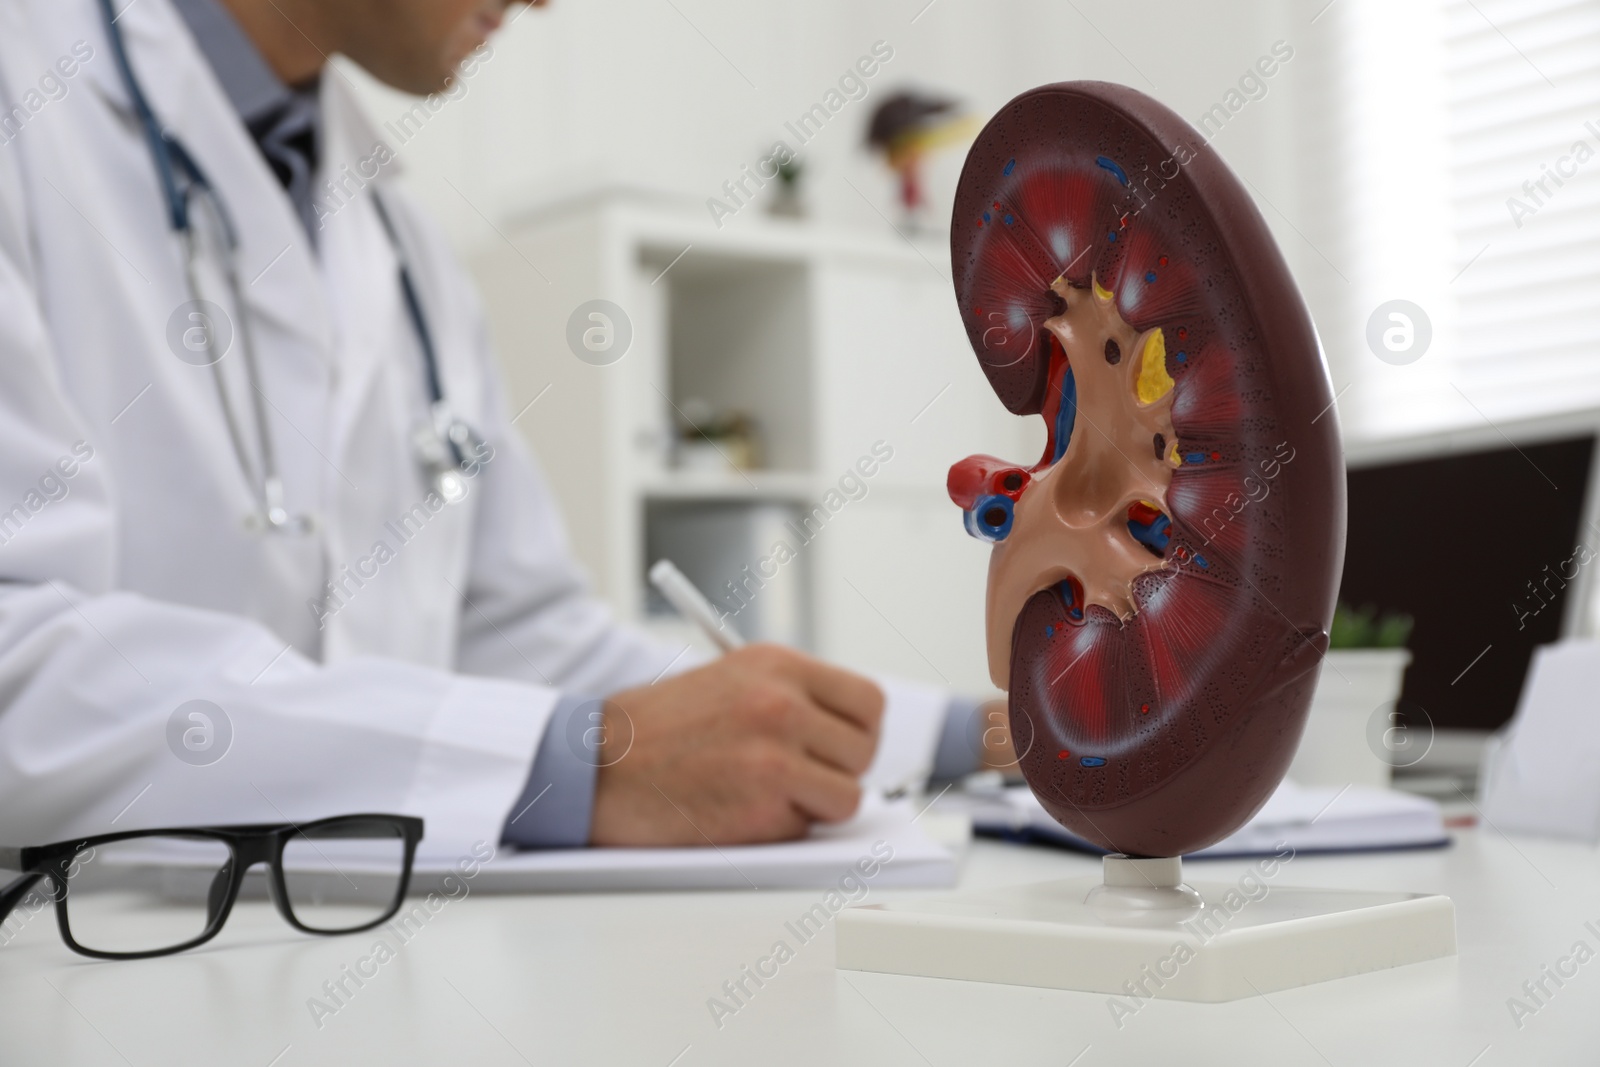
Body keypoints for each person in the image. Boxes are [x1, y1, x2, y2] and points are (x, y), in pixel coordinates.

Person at [0, 0, 1000, 859]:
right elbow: (19, 673)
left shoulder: (400, 241)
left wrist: (973, 733)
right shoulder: (28, 89)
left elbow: (533, 642)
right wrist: (568, 764)